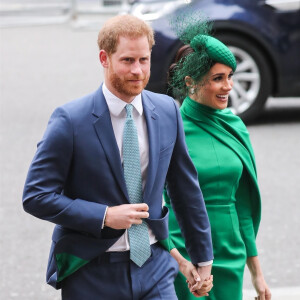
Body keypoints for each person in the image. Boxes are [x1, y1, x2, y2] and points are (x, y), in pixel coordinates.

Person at [22, 15, 214, 299]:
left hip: (155, 266)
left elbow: (186, 189)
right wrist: (104, 216)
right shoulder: (70, 121)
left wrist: (203, 259)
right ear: (104, 58)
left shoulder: (167, 111)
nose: (137, 70)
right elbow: (36, 195)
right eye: (127, 61)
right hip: (91, 272)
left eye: (144, 60)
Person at [163, 22, 272, 300]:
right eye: (218, 78)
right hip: (184, 253)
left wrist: (257, 273)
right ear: (190, 82)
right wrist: (179, 260)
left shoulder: (235, 126)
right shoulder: (170, 129)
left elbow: (244, 205)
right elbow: (153, 203)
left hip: (230, 251)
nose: (229, 87)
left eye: (230, 76)